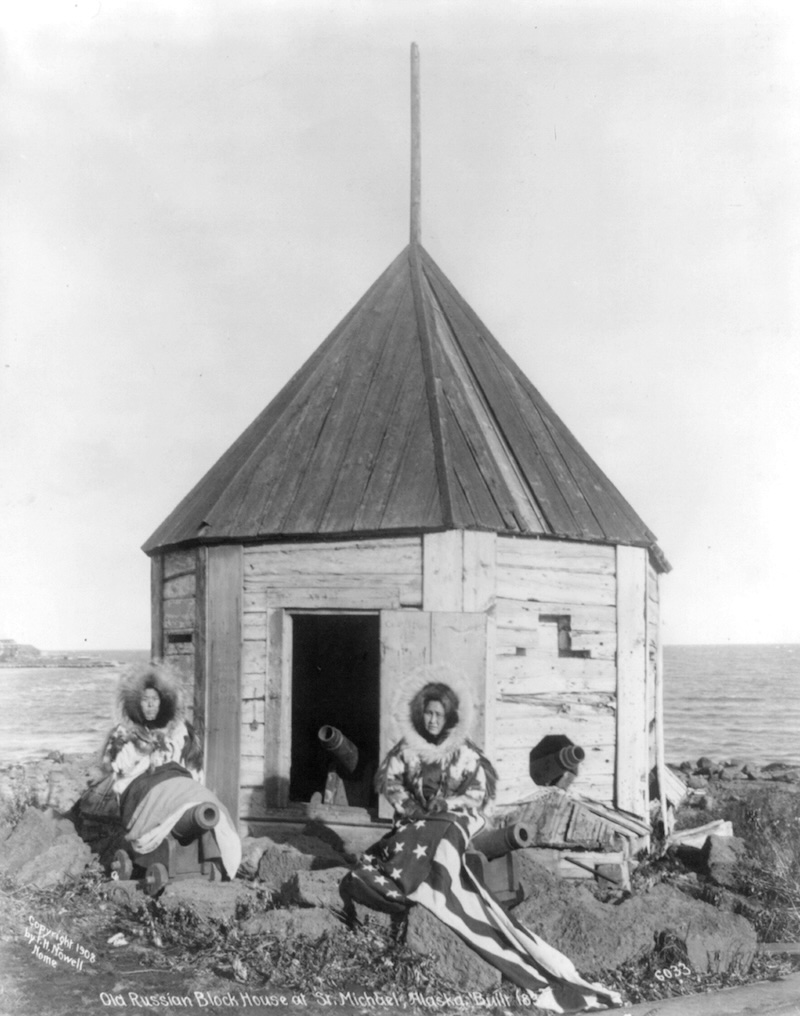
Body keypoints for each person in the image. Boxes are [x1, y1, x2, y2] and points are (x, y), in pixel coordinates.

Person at [345, 666, 621, 1014]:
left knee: (443, 831)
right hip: (416, 823)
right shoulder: (405, 749)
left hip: (457, 820)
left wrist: (447, 804)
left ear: (448, 718)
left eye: (438, 715)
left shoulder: (465, 751)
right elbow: (393, 788)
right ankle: (413, 872)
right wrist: (415, 807)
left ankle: (442, 876)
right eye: (427, 714)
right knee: (412, 838)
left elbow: (478, 793)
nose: (432, 721)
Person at [102, 662, 203, 790]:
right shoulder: (124, 734)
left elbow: (194, 771)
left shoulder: (180, 732)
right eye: (145, 699)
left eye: (155, 699)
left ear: (163, 702)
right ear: (137, 702)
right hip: (137, 794)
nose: (150, 705)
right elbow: (115, 771)